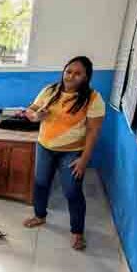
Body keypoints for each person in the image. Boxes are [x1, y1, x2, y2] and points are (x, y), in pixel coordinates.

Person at [23, 56, 105, 251]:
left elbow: (93, 133)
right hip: (45, 147)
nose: (71, 76)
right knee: (41, 183)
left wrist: (84, 160)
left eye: (78, 74)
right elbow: (30, 110)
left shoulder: (93, 99)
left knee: (72, 191)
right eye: (68, 71)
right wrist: (35, 116)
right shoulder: (50, 90)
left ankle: (77, 232)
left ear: (86, 77)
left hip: (71, 152)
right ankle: (40, 216)